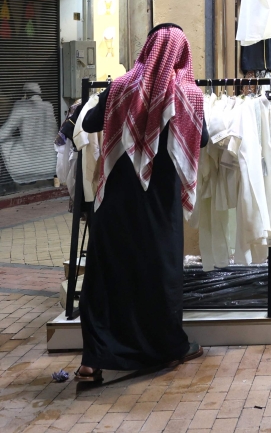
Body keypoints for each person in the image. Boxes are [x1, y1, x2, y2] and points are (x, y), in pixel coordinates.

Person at [76, 24, 207, 382]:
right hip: (158, 208)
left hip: (117, 203)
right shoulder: (189, 96)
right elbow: (204, 141)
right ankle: (167, 349)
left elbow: (88, 123)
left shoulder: (120, 88)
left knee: (106, 276)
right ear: (182, 55)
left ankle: (92, 361)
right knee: (159, 275)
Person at [0, 82, 57, 186]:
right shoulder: (49, 106)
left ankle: (25, 178)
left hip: (25, 170)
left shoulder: (21, 106)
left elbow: (5, 132)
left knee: (5, 141)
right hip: (51, 166)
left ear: (25, 94)